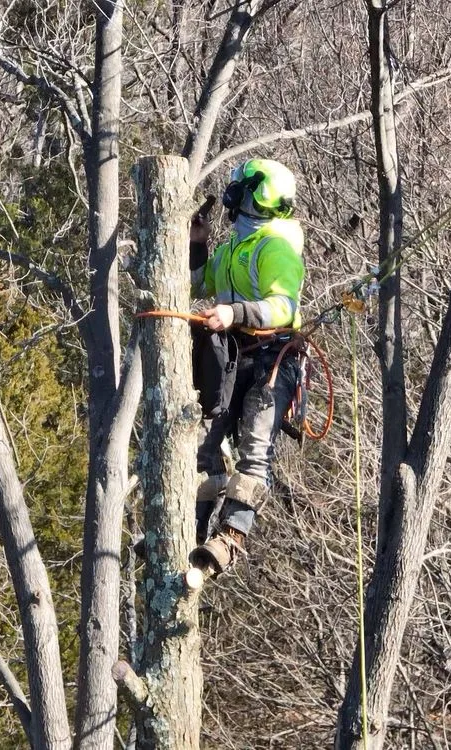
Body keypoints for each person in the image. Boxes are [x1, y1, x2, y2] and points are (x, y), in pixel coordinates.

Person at [189, 158, 305, 573]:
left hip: (272, 359)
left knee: (255, 450)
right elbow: (200, 283)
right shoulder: (235, 246)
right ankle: (192, 531)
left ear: (254, 195)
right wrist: (199, 245)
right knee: (203, 443)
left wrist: (234, 314)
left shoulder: (277, 246)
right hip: (233, 357)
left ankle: (230, 536)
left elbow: (282, 306)